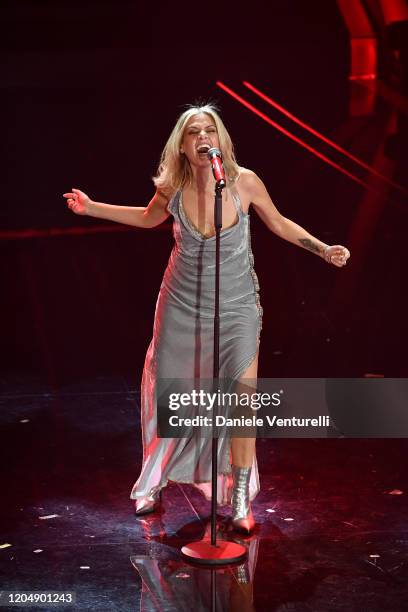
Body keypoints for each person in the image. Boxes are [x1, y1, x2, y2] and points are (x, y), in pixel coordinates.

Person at [63, 103, 350, 534]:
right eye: (194, 132)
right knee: (174, 395)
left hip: (238, 307)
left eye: (210, 131)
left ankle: (238, 499)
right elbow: (145, 220)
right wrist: (91, 209)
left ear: (221, 141)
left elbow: (279, 223)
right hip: (181, 304)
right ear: (181, 145)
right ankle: (155, 479)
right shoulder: (172, 190)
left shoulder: (243, 182)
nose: (203, 138)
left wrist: (323, 248)